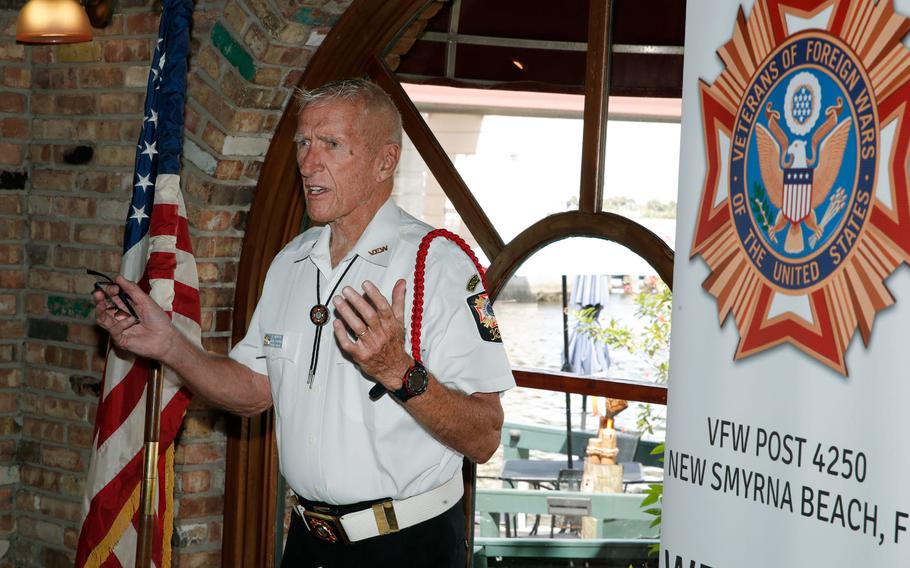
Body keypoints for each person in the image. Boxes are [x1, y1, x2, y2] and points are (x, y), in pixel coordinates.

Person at [92, 78, 515, 567]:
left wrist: (399, 371)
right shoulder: (292, 262)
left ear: (385, 161)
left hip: (408, 545)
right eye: (303, 143)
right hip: (308, 544)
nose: (308, 163)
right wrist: (168, 346)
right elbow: (253, 390)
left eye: (331, 145)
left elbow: (485, 437)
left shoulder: (436, 264)